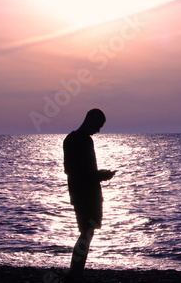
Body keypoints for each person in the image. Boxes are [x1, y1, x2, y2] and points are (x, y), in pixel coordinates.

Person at [63, 109, 116, 282]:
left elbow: (71, 171)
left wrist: (97, 175)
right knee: (86, 233)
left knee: (85, 232)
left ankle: (75, 272)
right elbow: (84, 172)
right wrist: (103, 175)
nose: (98, 130)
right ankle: (75, 273)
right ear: (91, 121)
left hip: (77, 194)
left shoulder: (69, 139)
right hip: (88, 195)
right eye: (98, 126)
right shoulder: (84, 141)